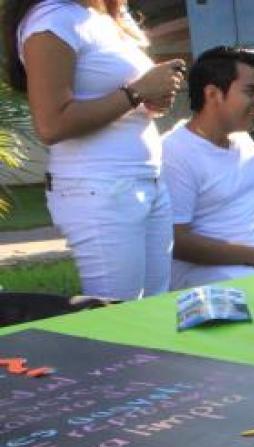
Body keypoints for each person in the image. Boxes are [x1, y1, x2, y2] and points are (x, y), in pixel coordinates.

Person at [4, 0, 185, 299]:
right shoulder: (53, 18)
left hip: (145, 182)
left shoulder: (108, 18)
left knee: (155, 309)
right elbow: (51, 124)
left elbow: (118, 99)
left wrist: (151, 98)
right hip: (99, 187)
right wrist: (136, 92)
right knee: (118, 316)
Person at [161, 46, 254, 291]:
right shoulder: (175, 152)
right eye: (251, 91)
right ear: (213, 94)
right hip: (209, 275)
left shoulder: (240, 139)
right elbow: (176, 241)